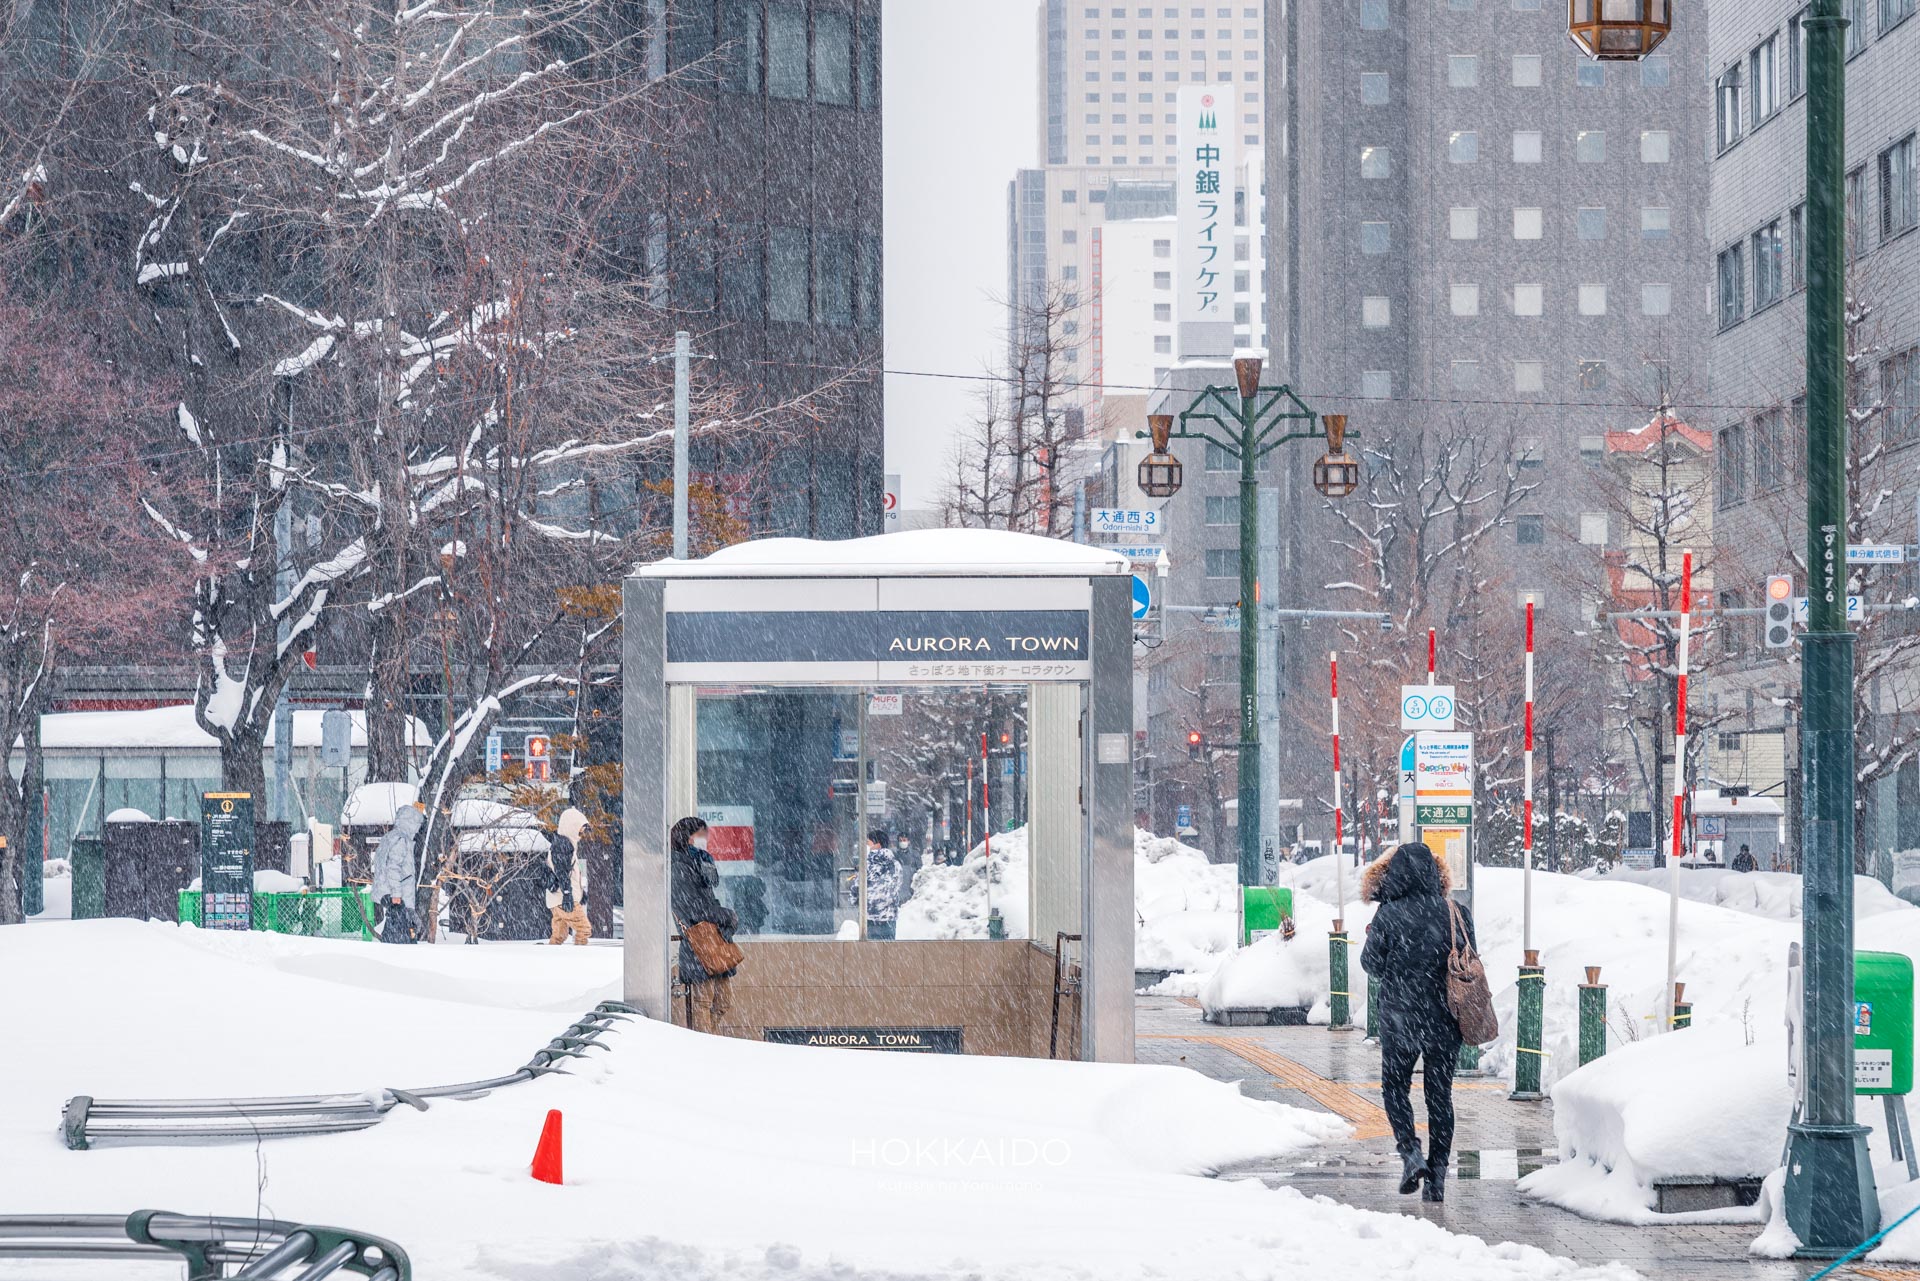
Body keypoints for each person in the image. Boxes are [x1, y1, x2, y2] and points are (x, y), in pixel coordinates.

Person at [1360, 841, 1474, 1204]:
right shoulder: (1455, 911)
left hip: (1400, 1019)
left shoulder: (1388, 914)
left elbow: (1371, 965)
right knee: (1440, 1097)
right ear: (1435, 873)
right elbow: (1470, 956)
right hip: (1445, 1019)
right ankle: (1437, 1178)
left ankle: (1410, 1154)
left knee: (1395, 1087)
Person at [670, 816, 739, 1033]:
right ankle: (706, 1044)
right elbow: (695, 908)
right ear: (688, 837)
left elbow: (708, 898)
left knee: (723, 1001)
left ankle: (711, 1039)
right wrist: (726, 916)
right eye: (700, 834)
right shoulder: (679, 865)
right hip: (699, 942)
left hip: (713, 941)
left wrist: (707, 867)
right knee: (703, 1002)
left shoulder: (698, 862)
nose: (704, 839)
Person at [369, 801, 426, 944]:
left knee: (397, 928)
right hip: (396, 895)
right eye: (417, 825)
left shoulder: (391, 836)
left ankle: (392, 955)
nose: (417, 829)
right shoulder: (401, 840)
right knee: (400, 934)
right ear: (411, 823)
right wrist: (396, 894)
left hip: (388, 893)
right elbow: (393, 868)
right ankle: (397, 959)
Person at [545, 808, 592, 945]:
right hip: (563, 898)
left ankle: (552, 960)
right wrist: (567, 894)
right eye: (581, 828)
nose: (582, 833)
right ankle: (579, 959)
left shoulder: (564, 843)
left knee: (559, 935)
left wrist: (580, 894)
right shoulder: (563, 846)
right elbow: (562, 872)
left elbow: (571, 873)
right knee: (584, 929)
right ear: (572, 825)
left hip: (557, 899)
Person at [864, 829, 903, 940]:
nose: (867, 845)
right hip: (890, 917)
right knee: (888, 952)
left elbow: (857, 890)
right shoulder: (895, 864)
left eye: (868, 843)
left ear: (878, 844)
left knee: (871, 952)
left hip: (871, 916)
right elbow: (897, 885)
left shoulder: (867, 865)